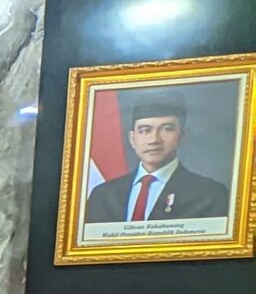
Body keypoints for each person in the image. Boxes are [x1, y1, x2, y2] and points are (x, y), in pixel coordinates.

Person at [82, 93, 234, 226]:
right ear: (132, 138)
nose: (154, 139)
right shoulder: (103, 195)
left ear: (182, 136)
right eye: (144, 130)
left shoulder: (210, 195)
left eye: (167, 129)